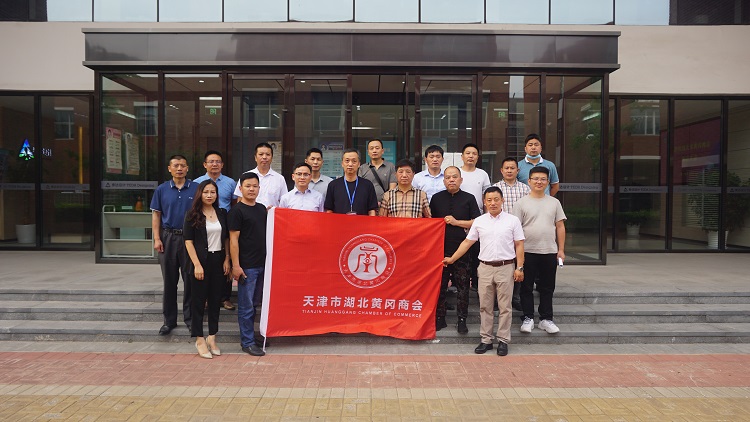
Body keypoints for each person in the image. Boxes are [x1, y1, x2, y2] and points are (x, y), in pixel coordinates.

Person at [442, 187, 524, 357]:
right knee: (485, 306)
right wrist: (452, 258)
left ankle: (503, 340)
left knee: (505, 307)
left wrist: (519, 267)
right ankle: (486, 340)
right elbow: (467, 242)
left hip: (506, 267)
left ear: (502, 200)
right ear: (484, 202)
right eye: (489, 200)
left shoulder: (513, 220)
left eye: (496, 199)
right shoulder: (479, 221)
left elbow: (519, 245)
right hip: (485, 268)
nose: (493, 203)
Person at [513, 166, 566, 334]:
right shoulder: (521, 203)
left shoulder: (554, 202)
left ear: (548, 182)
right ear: (529, 181)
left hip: (549, 251)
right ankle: (528, 317)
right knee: (526, 287)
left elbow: (560, 226)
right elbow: (515, 229)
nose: (539, 182)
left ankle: (546, 319)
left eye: (543, 179)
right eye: (535, 178)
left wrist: (561, 249)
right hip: (527, 251)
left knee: (547, 287)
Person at [430, 166, 481, 333]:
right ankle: (440, 317)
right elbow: (430, 222)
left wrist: (456, 222)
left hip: (463, 250)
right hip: (440, 250)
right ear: (443, 181)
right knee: (440, 286)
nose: (451, 180)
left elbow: (477, 222)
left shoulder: (469, 198)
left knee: (463, 286)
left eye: (454, 177)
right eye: (448, 177)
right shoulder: (436, 198)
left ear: (461, 180)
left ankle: (462, 319)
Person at [151, 155, 198, 336]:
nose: (179, 168)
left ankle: (190, 319)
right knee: (169, 282)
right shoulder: (162, 189)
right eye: (176, 165)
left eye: (183, 165)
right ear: (169, 168)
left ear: (187, 168)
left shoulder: (195, 188)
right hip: (168, 238)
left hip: (189, 239)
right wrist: (157, 238)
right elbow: (156, 215)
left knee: (190, 281)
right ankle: (168, 321)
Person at [183, 180, 230, 359]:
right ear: (200, 194)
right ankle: (199, 339)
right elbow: (188, 242)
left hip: (218, 260)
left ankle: (212, 337)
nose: (209, 195)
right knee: (198, 302)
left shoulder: (222, 213)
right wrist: (196, 264)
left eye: (213, 192)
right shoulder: (192, 214)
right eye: (206, 192)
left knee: (215, 300)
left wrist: (227, 259)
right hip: (200, 261)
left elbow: (226, 238)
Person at [228, 173, 267, 357]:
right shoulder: (236, 211)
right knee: (246, 306)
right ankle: (247, 342)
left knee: (255, 304)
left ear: (259, 188)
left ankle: (252, 336)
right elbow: (233, 241)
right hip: (246, 267)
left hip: (263, 264)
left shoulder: (261, 209)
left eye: (255, 186)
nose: (252, 189)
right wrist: (236, 266)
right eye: (248, 186)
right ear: (240, 188)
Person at [193, 150, 237, 311]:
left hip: (223, 223)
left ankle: (225, 297)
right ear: (205, 164)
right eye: (211, 161)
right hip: (203, 223)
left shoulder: (230, 182)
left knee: (225, 261)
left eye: (218, 161)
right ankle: (205, 298)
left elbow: (234, 203)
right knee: (206, 260)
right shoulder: (196, 183)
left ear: (222, 165)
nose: (215, 164)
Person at [494, 156, 531, 311]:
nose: (509, 171)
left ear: (518, 170)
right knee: (499, 266)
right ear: (501, 170)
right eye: (506, 168)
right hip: (499, 234)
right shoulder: (495, 188)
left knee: (518, 264)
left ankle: (515, 297)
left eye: (512, 168)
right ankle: (497, 299)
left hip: (519, 233)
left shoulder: (526, 189)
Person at [459, 143, 492, 289]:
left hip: (477, 217)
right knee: (461, 251)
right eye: (468, 153)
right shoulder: (457, 172)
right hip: (459, 217)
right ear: (462, 156)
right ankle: (459, 283)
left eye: (474, 154)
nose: (471, 156)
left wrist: (487, 217)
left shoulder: (482, 174)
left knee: (477, 251)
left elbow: (486, 197)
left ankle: (477, 283)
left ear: (478, 157)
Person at [324, 148, 379, 216]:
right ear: (342, 164)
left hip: (362, 223)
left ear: (359, 164)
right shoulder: (333, 185)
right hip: (339, 222)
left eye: (354, 161)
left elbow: (371, 211)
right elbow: (329, 211)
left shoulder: (367, 185)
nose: (350, 164)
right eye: (347, 161)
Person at [233, 142, 287, 209]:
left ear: (272, 157)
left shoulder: (280, 179)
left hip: (271, 215)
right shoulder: (246, 176)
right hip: (249, 214)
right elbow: (240, 199)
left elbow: (284, 202)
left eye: (268, 154)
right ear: (255, 157)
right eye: (261, 154)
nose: (264, 157)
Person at [357, 138, 396, 203]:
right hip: (367, 204)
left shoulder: (390, 166)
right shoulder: (362, 168)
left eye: (377, 148)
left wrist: (384, 202)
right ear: (368, 152)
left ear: (382, 151)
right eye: (371, 148)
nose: (374, 151)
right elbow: (360, 188)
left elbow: (392, 188)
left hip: (385, 204)